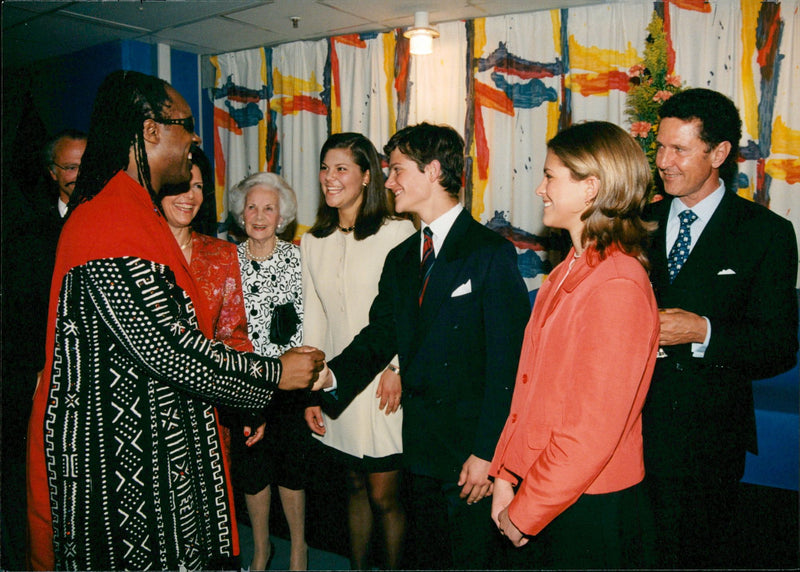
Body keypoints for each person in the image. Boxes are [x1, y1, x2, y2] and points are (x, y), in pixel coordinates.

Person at [26, 70, 324, 571]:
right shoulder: (110, 222)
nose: (195, 140)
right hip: (124, 476)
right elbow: (168, 348)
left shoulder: (133, 214)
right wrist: (276, 375)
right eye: (186, 126)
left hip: (154, 459)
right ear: (149, 131)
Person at [314, 122, 530, 570]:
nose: (388, 181)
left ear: (432, 171)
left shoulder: (490, 252)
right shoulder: (402, 258)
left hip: (470, 453)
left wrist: (489, 453)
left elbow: (509, 364)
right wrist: (329, 376)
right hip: (419, 450)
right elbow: (379, 337)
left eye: (396, 170)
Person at [489, 121, 659, 569]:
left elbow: (590, 431)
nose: (540, 188)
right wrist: (505, 473)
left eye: (550, 176)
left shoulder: (617, 283)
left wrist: (526, 511)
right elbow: (532, 393)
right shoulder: (569, 267)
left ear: (591, 189)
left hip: (587, 504)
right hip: (552, 489)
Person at [642, 88, 799, 568]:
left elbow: (778, 347)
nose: (664, 161)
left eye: (680, 149)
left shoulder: (765, 234)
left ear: (720, 153)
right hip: (627, 424)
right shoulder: (636, 221)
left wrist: (702, 331)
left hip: (706, 438)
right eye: (661, 146)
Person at [302, 133, 415, 569]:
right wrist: (311, 391)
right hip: (336, 381)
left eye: (342, 168)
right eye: (325, 168)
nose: (330, 178)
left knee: (384, 493)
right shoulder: (313, 242)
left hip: (383, 381)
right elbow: (316, 321)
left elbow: (407, 312)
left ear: (367, 176)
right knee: (352, 483)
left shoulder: (397, 232)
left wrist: (397, 368)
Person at [1, 129, 86, 570]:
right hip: (42, 380)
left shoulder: (112, 223)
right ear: (54, 174)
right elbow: (16, 316)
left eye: (84, 165)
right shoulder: (27, 235)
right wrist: (36, 371)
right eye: (69, 167)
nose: (78, 175)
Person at [228, 172, 309, 571]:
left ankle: (298, 549)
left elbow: (312, 326)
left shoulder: (299, 259)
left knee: (291, 470)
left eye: (269, 208)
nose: (259, 215)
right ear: (241, 214)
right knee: (252, 472)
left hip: (290, 385)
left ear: (282, 216)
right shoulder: (228, 261)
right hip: (244, 384)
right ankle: (261, 549)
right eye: (252, 207)